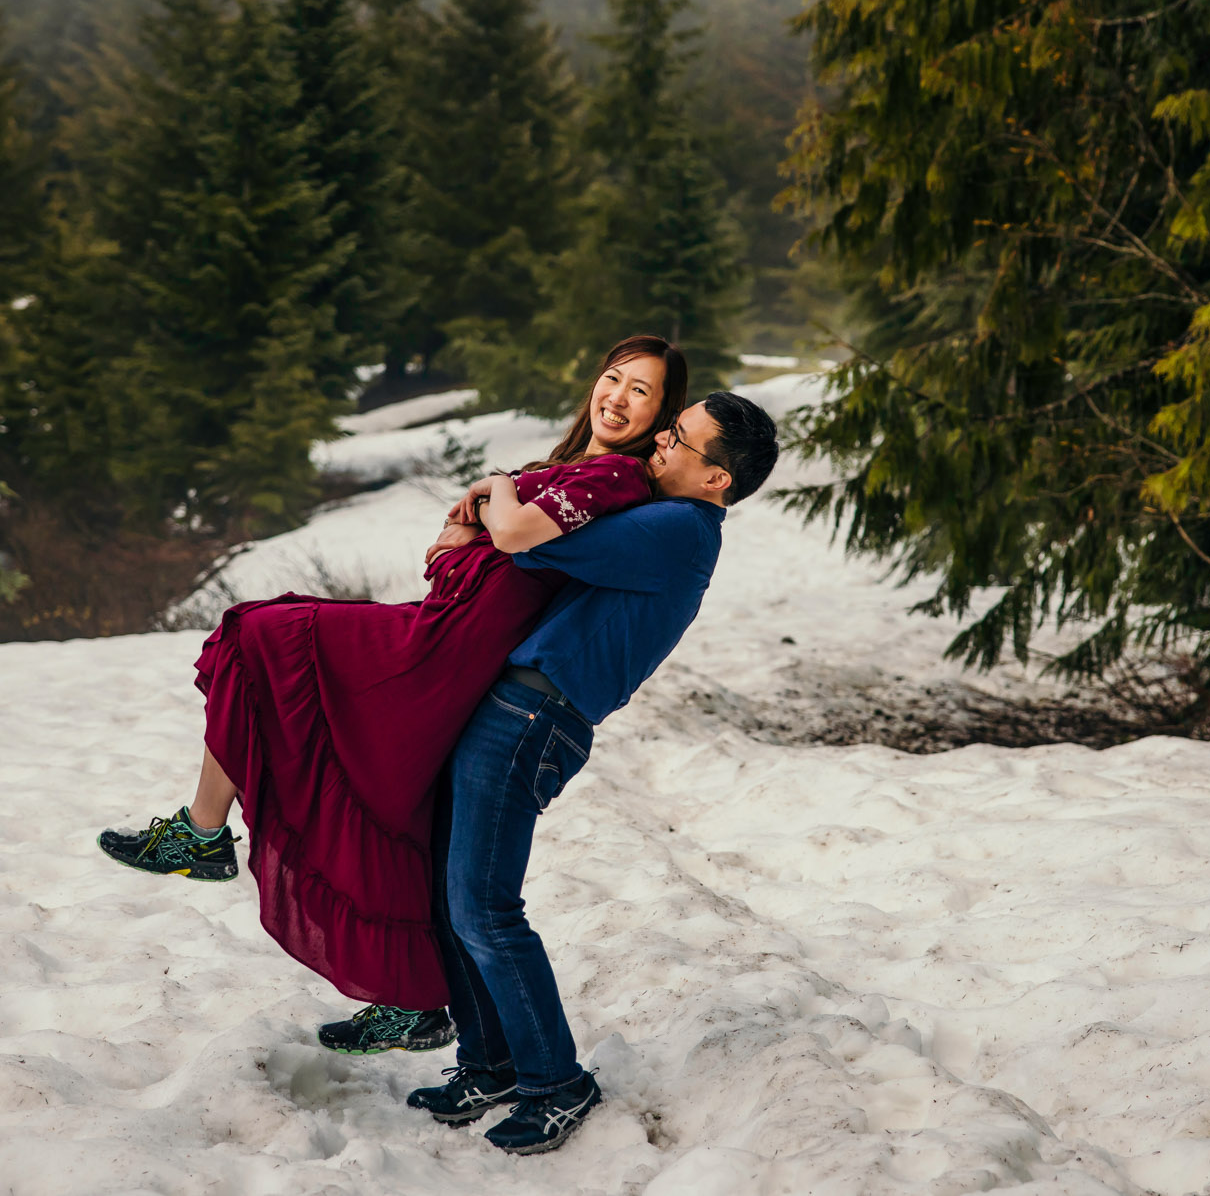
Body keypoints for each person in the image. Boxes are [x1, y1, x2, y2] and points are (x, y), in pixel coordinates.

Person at [96, 337, 689, 1017]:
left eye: (640, 391)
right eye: (613, 378)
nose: (616, 397)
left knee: (255, 634)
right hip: (442, 624)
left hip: (443, 648)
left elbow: (517, 534)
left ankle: (201, 834)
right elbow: (470, 553)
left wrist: (494, 491)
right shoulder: (567, 468)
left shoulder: (615, 479)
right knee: (389, 804)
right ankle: (407, 1000)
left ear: (661, 414)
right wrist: (460, 535)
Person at [397, 390, 780, 1156]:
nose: (661, 444)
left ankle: (557, 1084)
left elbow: (518, 538)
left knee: (485, 908)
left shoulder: (677, 527)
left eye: (680, 440)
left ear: (718, 480)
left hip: (534, 719)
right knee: (455, 897)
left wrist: (500, 487)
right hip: (515, 705)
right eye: (670, 430)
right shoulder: (664, 516)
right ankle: (490, 1062)